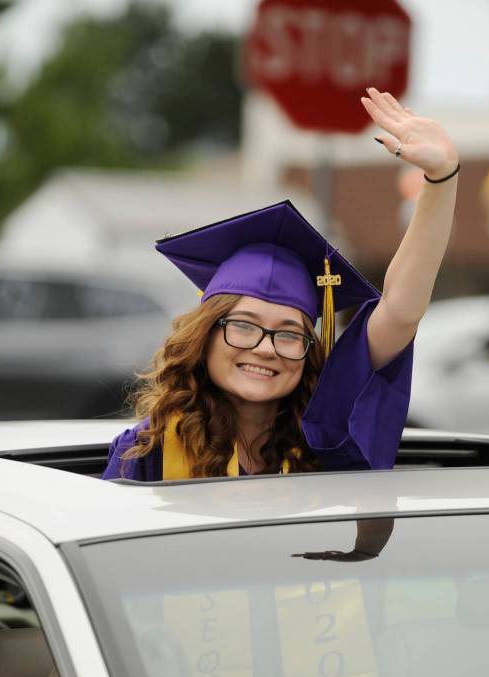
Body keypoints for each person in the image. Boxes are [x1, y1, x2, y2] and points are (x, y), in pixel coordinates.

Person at [102, 87, 459, 481]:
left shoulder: (323, 437)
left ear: (309, 351)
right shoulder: (148, 450)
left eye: (289, 335)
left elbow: (400, 310)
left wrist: (440, 179)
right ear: (205, 337)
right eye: (243, 326)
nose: (265, 348)